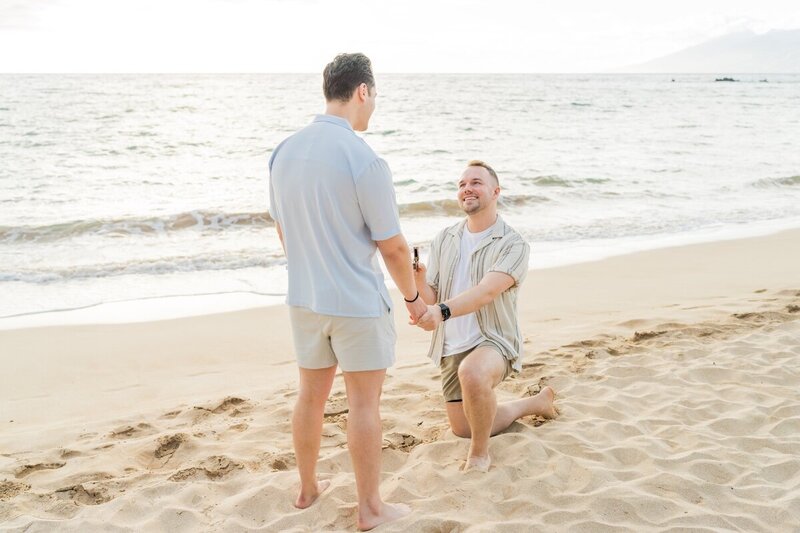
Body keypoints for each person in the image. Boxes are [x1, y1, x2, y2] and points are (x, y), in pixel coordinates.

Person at [268, 53, 426, 530]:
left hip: (304, 298)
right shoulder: (364, 159)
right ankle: (370, 508)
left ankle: (307, 489)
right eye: (374, 97)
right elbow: (394, 247)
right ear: (363, 91)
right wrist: (415, 299)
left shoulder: (283, 152)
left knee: (309, 398)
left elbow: (283, 231)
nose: (373, 107)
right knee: (363, 405)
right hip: (356, 303)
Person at [414, 160, 556, 472]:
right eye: (462, 184)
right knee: (463, 428)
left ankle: (479, 456)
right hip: (452, 345)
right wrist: (419, 282)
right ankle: (533, 403)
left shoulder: (513, 243)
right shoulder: (444, 239)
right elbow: (433, 298)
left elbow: (487, 291)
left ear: (495, 192)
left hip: (493, 339)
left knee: (474, 374)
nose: (467, 188)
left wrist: (440, 311)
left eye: (476, 182)